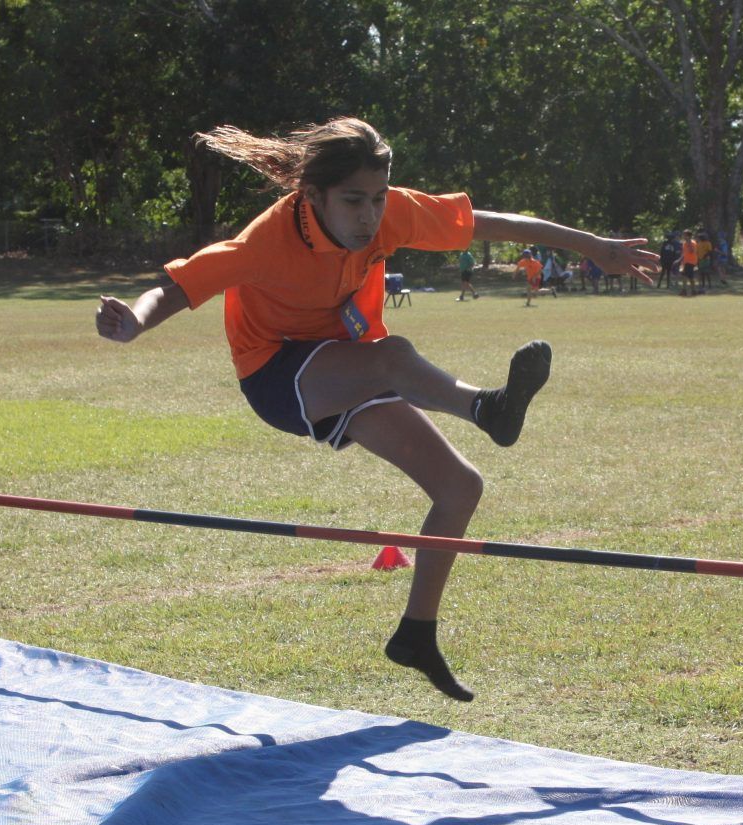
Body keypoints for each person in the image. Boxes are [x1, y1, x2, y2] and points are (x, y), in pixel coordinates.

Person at [95, 118, 656, 700]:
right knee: (393, 356)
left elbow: (492, 221)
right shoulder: (267, 244)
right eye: (354, 201)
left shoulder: (389, 214)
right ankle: (487, 409)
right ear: (312, 197)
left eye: (379, 199)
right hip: (275, 372)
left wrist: (596, 247)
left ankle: (416, 633)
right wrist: (133, 320)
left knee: (460, 487)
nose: (370, 216)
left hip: (344, 361)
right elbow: (177, 286)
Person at [679, 229, 698, 297]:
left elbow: (692, 251)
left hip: (691, 261)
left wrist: (689, 242)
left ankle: (684, 290)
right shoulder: (684, 243)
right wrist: (680, 260)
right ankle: (693, 291)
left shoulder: (692, 243)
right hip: (686, 261)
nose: (683, 236)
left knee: (685, 276)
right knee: (690, 277)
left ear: (688, 236)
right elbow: (684, 253)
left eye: (684, 234)